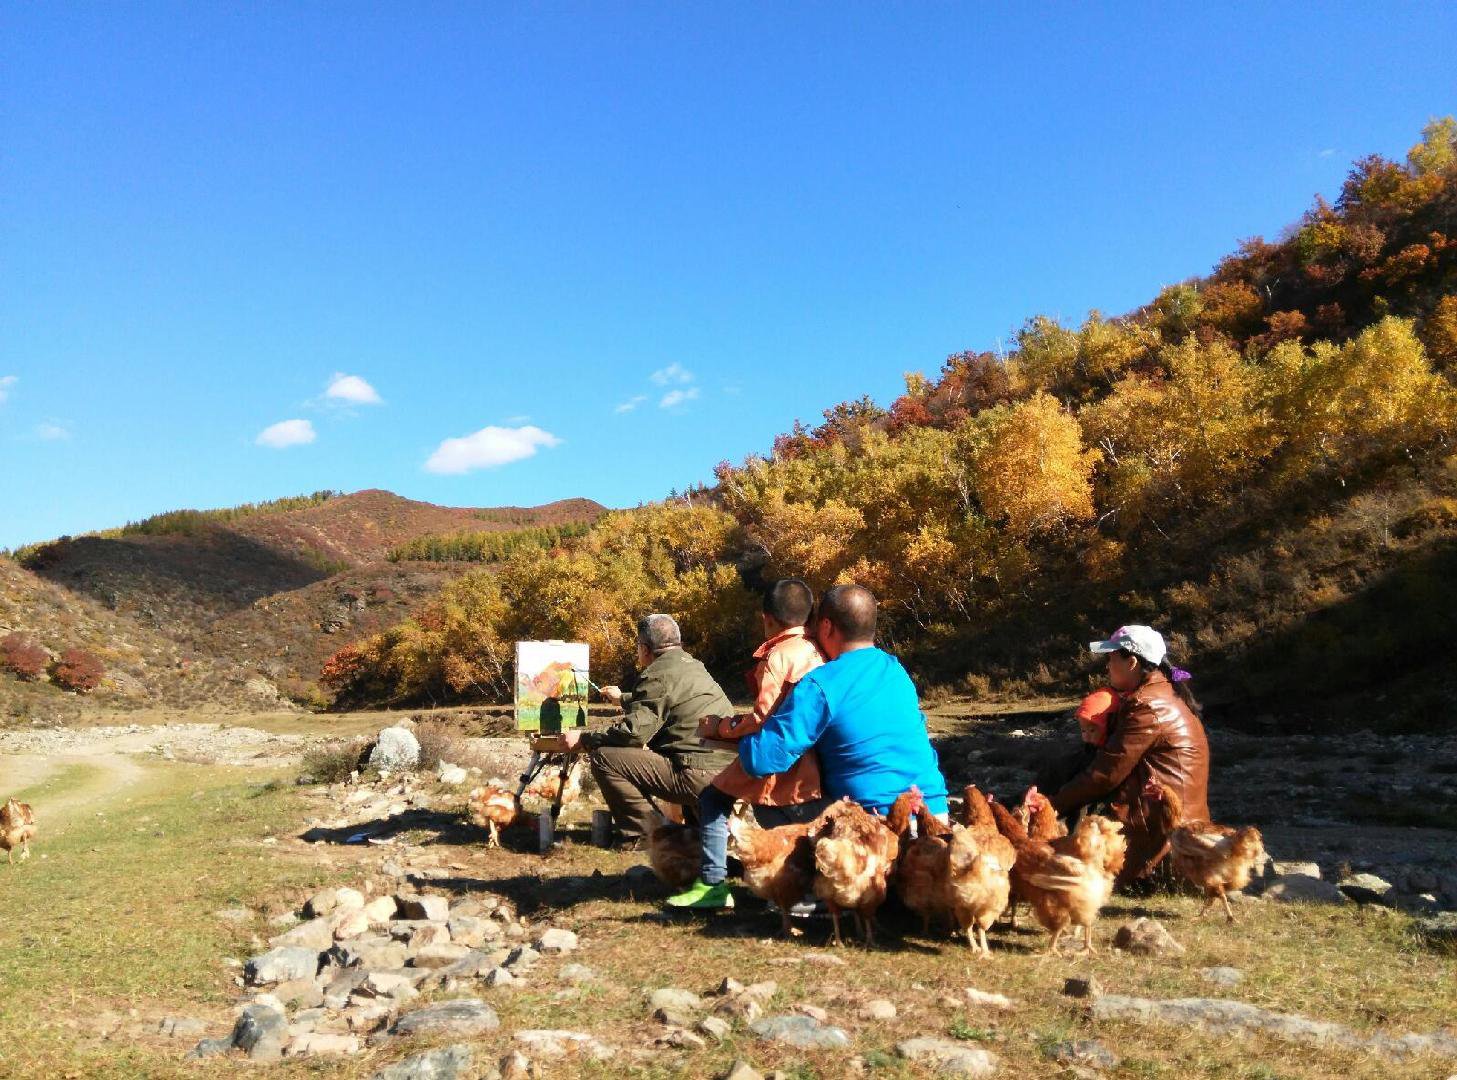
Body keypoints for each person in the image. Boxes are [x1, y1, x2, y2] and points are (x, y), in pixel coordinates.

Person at [667, 578, 828, 910]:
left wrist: (720, 728)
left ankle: (714, 883)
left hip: (775, 755)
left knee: (715, 801)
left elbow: (762, 716)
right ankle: (799, 887)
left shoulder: (778, 656)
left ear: (766, 618)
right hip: (810, 756)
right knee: (787, 820)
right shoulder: (817, 650)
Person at [739, 584, 949, 816]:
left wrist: (741, 733)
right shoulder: (896, 670)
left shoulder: (822, 683)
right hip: (934, 811)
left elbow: (762, 760)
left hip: (874, 822)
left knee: (766, 805)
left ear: (826, 626)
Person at [1049, 624, 1210, 885]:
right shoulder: (1167, 693)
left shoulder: (1146, 705)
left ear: (1132, 661)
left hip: (1161, 844)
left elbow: (1104, 775)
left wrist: (1049, 807)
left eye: (1111, 659)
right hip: (1179, 834)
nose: (1107, 667)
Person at [562, 614, 734, 847]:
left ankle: (645, 836)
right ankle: (689, 834)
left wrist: (584, 738)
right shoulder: (692, 665)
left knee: (604, 758)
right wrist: (623, 699)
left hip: (697, 775)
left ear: (644, 648)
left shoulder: (655, 674)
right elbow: (667, 697)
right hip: (728, 771)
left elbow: (633, 733)